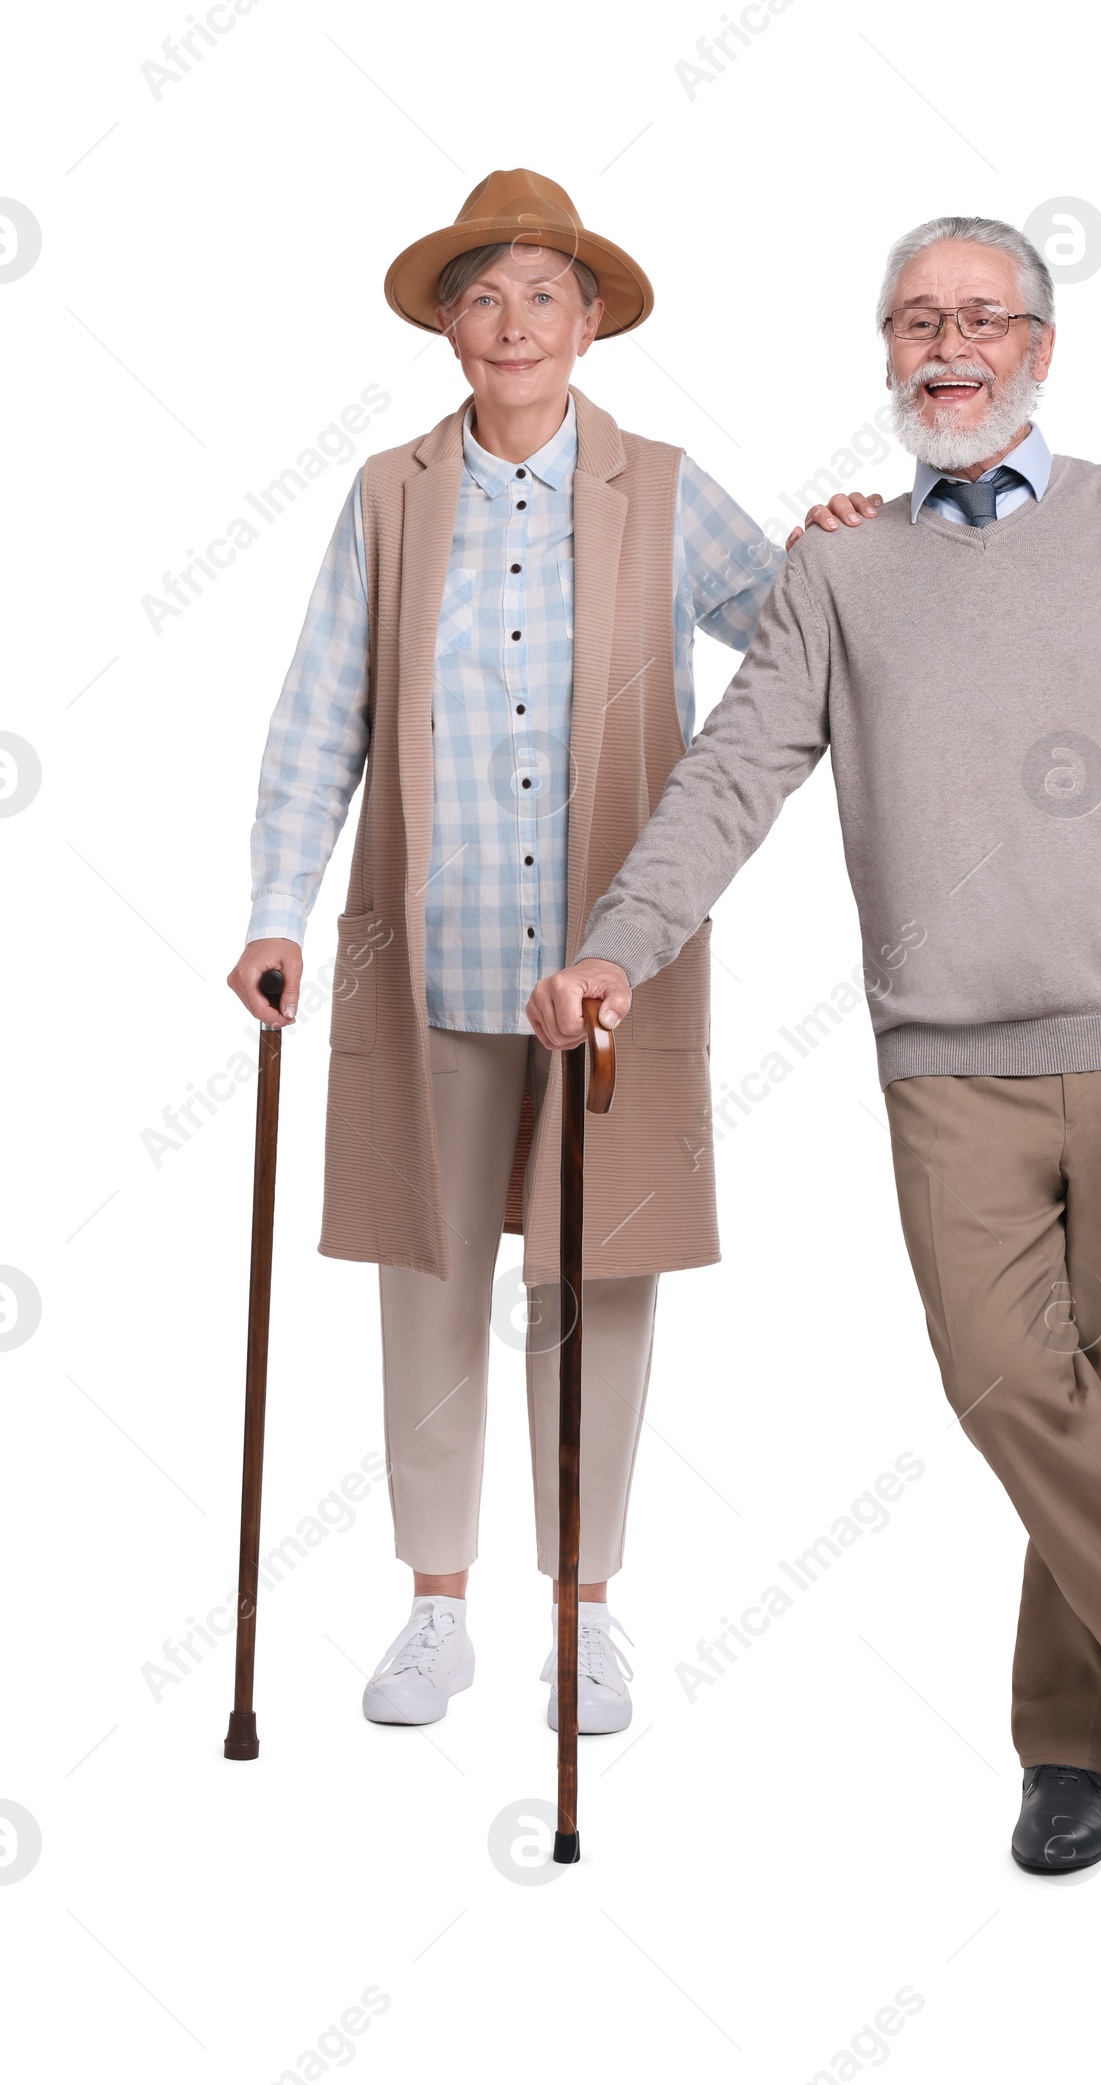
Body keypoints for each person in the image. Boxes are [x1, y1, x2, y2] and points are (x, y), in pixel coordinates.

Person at [531, 213, 1101, 1871]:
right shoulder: (840, 569)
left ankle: (1065, 1755)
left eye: (984, 317)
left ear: (1039, 348)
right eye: (915, 320)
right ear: (887, 354)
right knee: (1014, 1382)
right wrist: (613, 944)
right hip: (950, 1059)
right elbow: (734, 775)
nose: (948, 344)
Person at [227, 169, 872, 1737]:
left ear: (589, 324)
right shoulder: (389, 492)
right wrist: (275, 910)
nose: (511, 324)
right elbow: (322, 713)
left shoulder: (657, 483)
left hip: (610, 972)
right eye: (483, 296)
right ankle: (435, 1606)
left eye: (543, 297)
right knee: (426, 1280)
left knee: (598, 1279)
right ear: (449, 326)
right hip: (428, 959)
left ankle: (584, 1616)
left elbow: (792, 640)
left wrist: (844, 551)